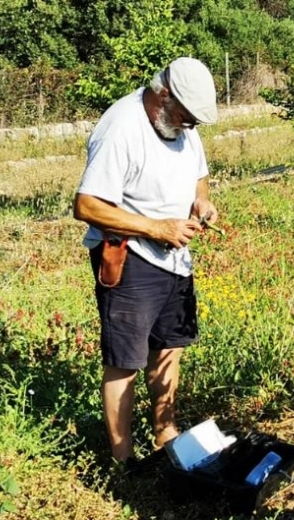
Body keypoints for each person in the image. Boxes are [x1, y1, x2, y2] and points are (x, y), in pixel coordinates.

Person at [72, 57, 219, 469]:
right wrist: (156, 228)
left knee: (169, 347)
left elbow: (199, 176)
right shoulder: (121, 127)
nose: (190, 127)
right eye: (185, 117)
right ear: (163, 95)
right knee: (125, 360)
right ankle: (124, 461)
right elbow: (86, 205)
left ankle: (165, 435)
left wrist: (201, 203)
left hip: (175, 257)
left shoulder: (183, 126)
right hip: (131, 258)